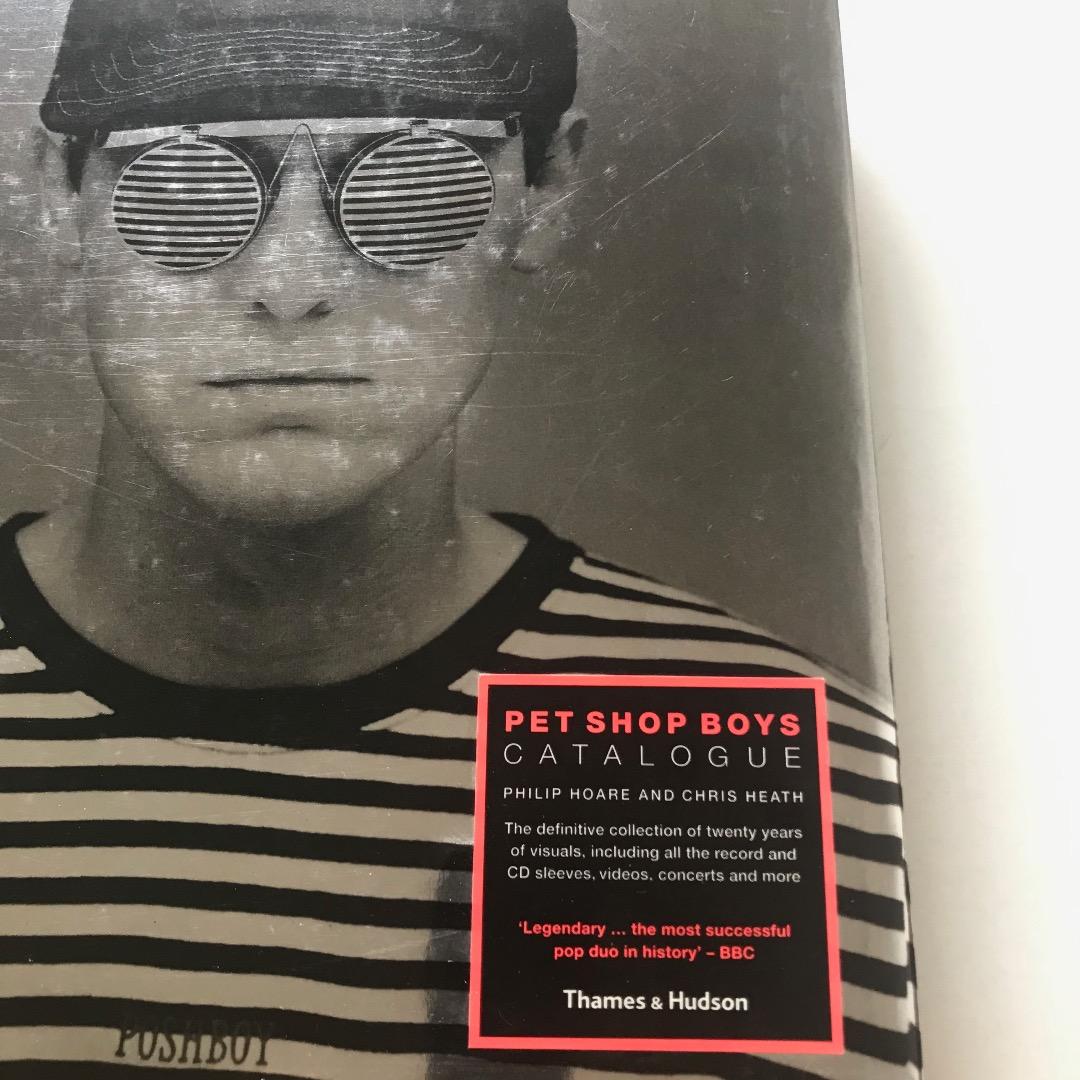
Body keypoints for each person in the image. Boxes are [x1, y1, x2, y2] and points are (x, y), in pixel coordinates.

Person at [0, 0, 917, 1077]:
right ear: (58, 193)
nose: (291, 288)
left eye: (413, 180)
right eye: (184, 181)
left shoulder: (797, 776)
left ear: (547, 191)